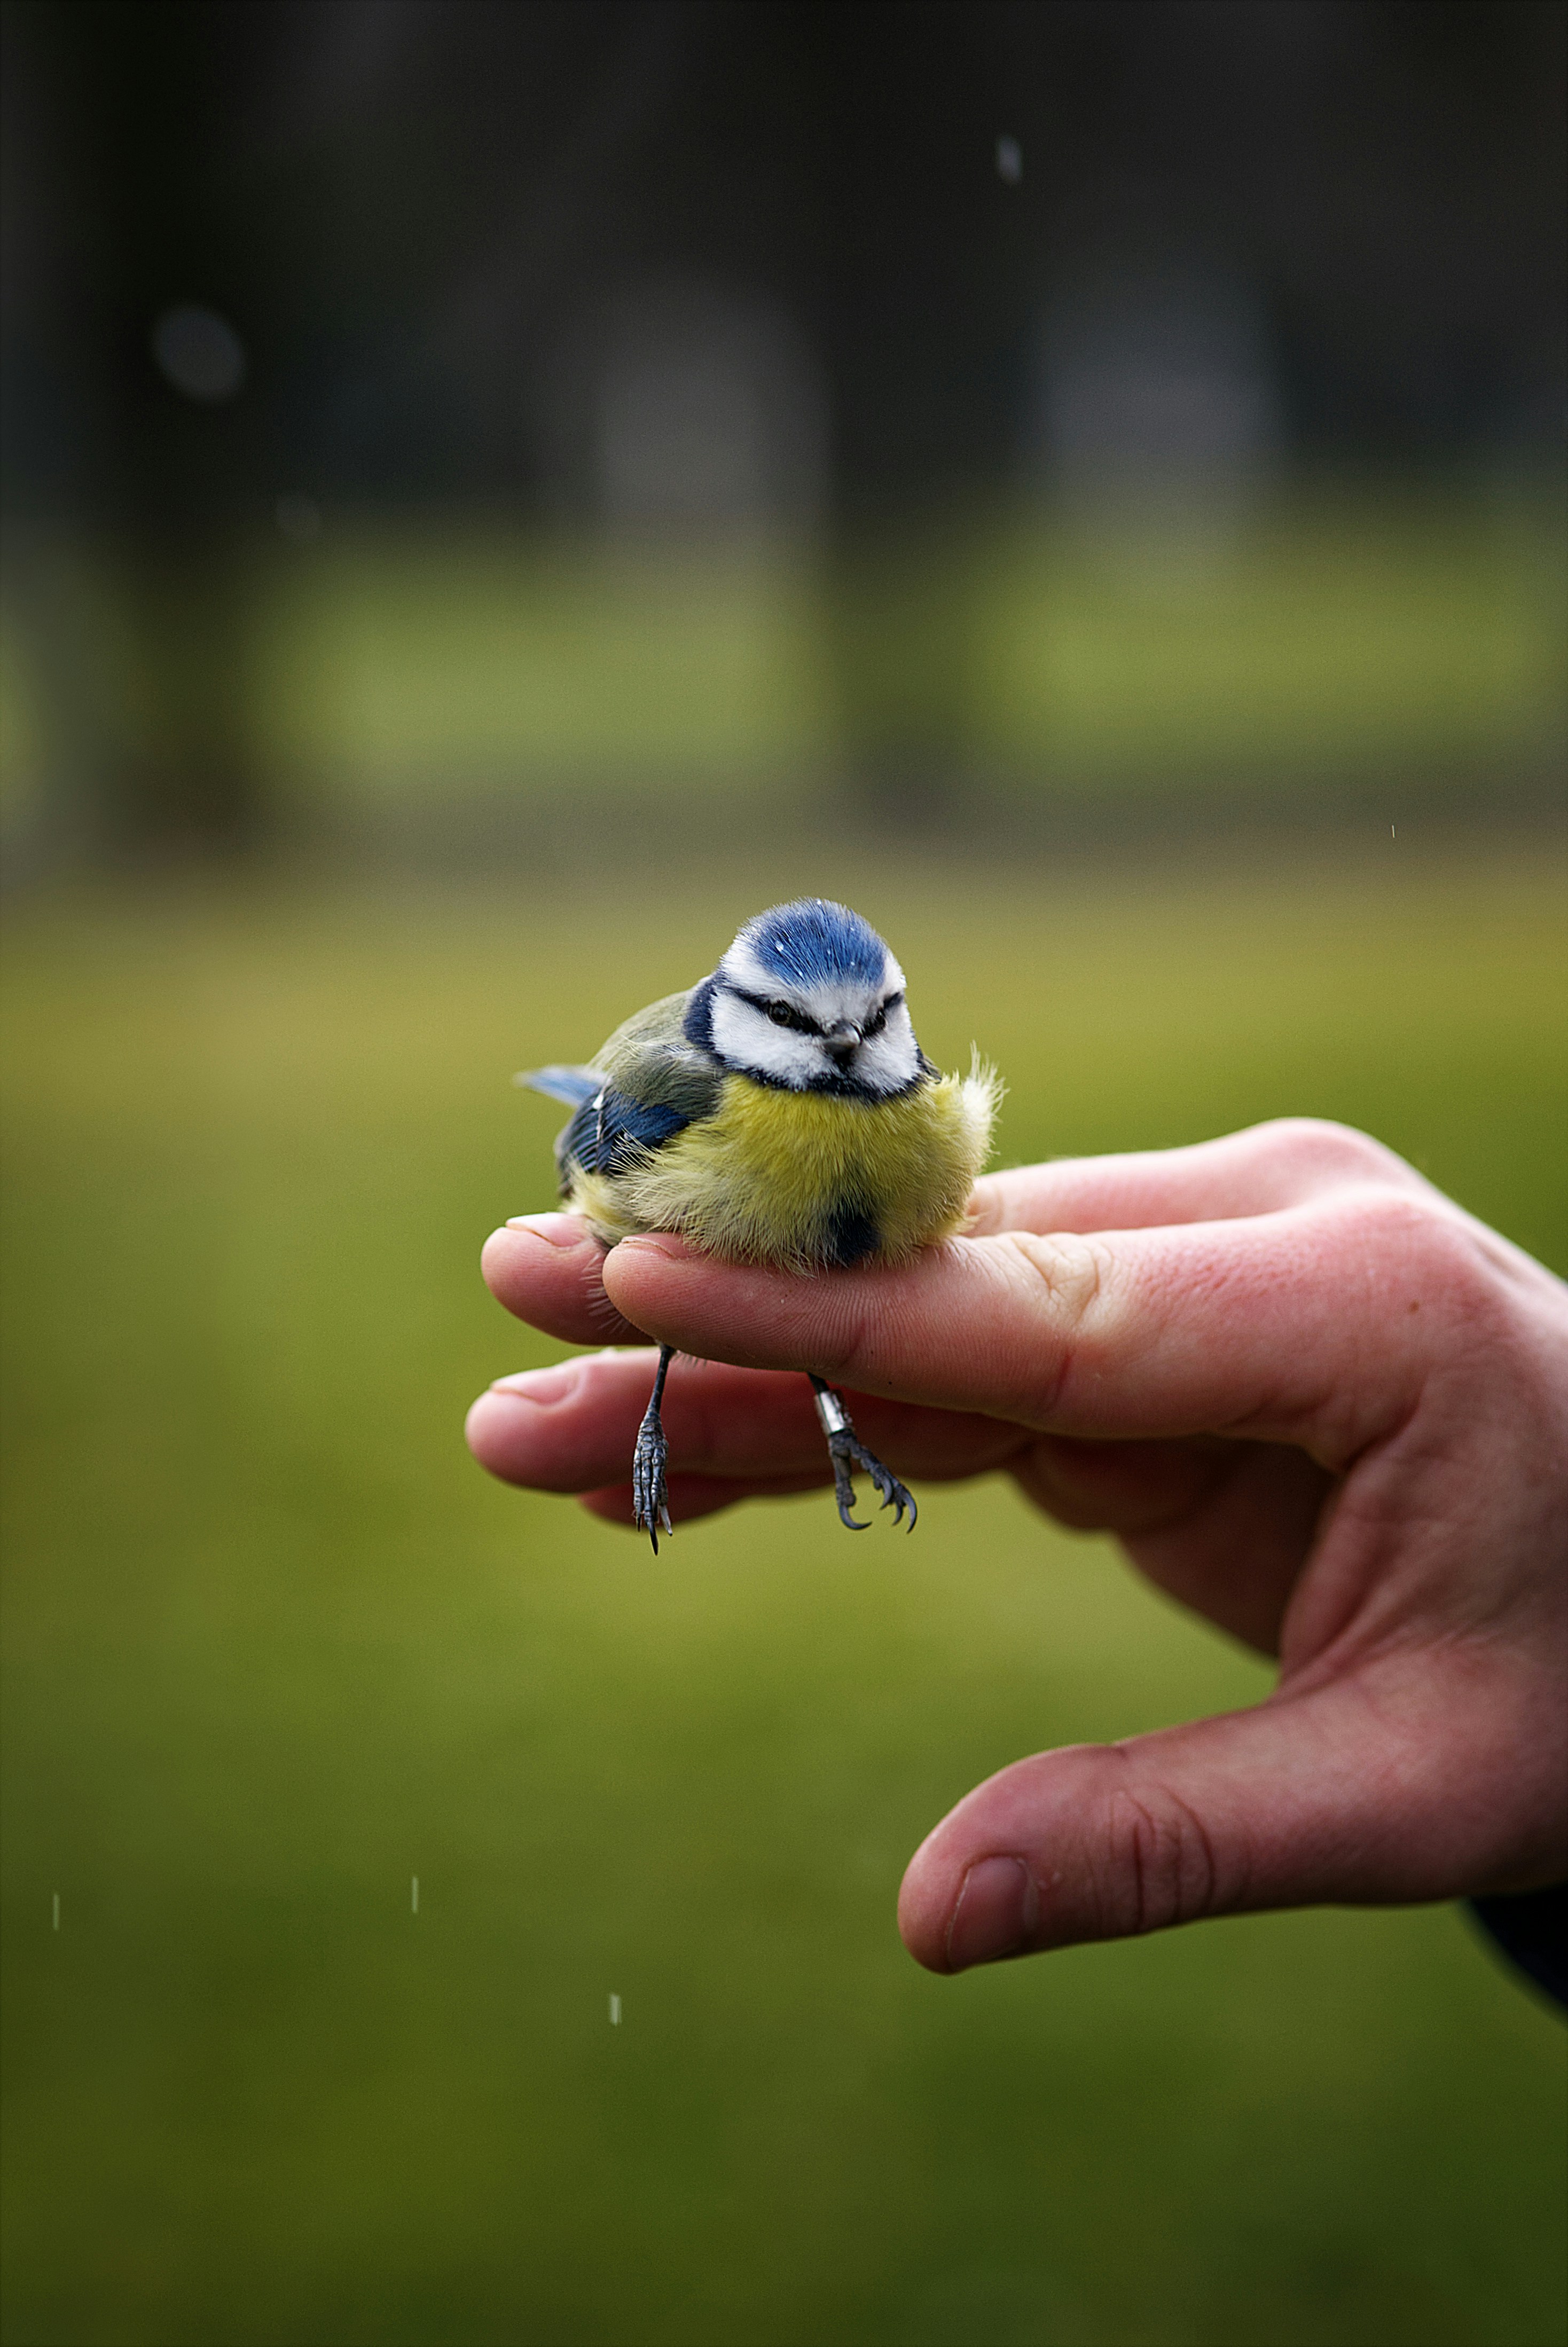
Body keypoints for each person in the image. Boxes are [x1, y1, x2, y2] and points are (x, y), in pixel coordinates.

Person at [465, 1118, 1567, 2004]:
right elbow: (604, 1170)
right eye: (802, 1037)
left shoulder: (923, 1123)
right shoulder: (693, 1093)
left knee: (803, 1322)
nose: (846, 1059)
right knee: (686, 1299)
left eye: (876, 1031)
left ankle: (834, 1418)